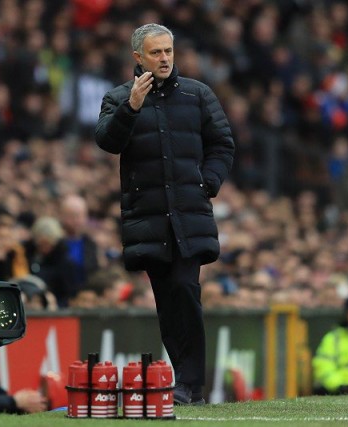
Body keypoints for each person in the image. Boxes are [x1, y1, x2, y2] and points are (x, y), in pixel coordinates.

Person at [95, 23, 235, 405]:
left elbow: (222, 143)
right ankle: (187, 383)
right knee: (168, 299)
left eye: (169, 51)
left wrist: (208, 183)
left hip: (189, 213)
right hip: (150, 218)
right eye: (156, 53)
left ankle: (191, 384)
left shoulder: (197, 94)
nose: (164, 59)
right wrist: (132, 108)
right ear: (137, 57)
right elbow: (108, 141)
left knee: (185, 289)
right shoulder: (118, 98)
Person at [59, 194, 100, 288]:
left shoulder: (91, 244)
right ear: (62, 216)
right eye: (71, 216)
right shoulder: (55, 243)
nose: (76, 220)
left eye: (80, 215)